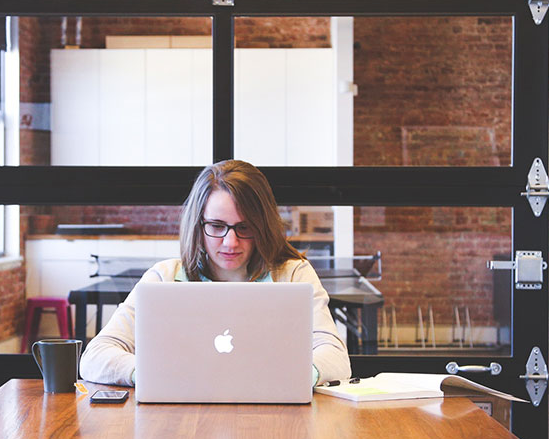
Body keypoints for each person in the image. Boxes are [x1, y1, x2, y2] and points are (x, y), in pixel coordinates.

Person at [79, 160, 351, 387]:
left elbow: (336, 358)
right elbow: (95, 357)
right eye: (217, 226)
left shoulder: (293, 275)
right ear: (198, 224)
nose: (230, 242)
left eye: (245, 228)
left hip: (272, 421)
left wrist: (290, 377)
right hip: (179, 421)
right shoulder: (164, 278)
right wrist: (154, 374)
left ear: (263, 226)